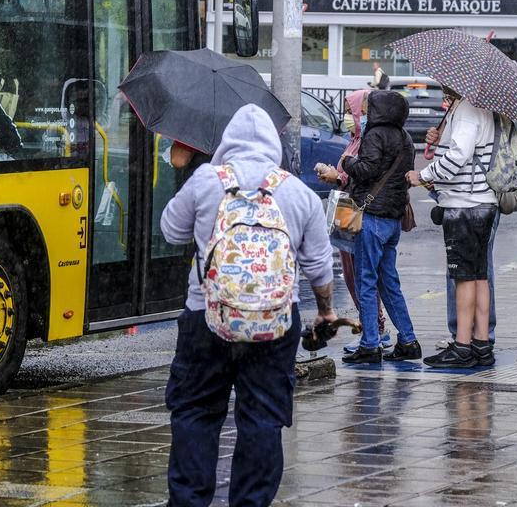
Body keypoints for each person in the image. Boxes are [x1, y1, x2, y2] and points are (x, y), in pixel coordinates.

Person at [160, 105, 335, 507]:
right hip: (274, 324)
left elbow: (170, 230)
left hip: (206, 317)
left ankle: (188, 501)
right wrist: (325, 310)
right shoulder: (296, 191)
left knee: (195, 412)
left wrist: (193, 183)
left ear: (228, 143)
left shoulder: (207, 180)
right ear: (273, 145)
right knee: (263, 418)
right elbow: (318, 266)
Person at [406, 86, 497, 369]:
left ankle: (462, 346)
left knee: (464, 277)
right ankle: (481, 344)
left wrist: (422, 175)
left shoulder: (468, 108)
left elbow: (458, 155)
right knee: (479, 275)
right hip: (482, 201)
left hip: (465, 204)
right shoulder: (475, 106)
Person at [339, 88, 420, 364]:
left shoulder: (375, 135)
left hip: (371, 216)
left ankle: (370, 343)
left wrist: (347, 162)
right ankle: (408, 339)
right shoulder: (405, 138)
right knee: (389, 282)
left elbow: (367, 170)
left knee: (366, 280)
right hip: (393, 219)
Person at [316, 90, 370, 338]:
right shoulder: (354, 139)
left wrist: (337, 176)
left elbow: (362, 175)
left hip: (355, 209)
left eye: (352, 112)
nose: (349, 117)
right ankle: (368, 325)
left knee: (361, 272)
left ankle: (374, 327)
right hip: (346, 208)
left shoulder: (367, 141)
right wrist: (335, 175)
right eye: (347, 112)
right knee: (350, 272)